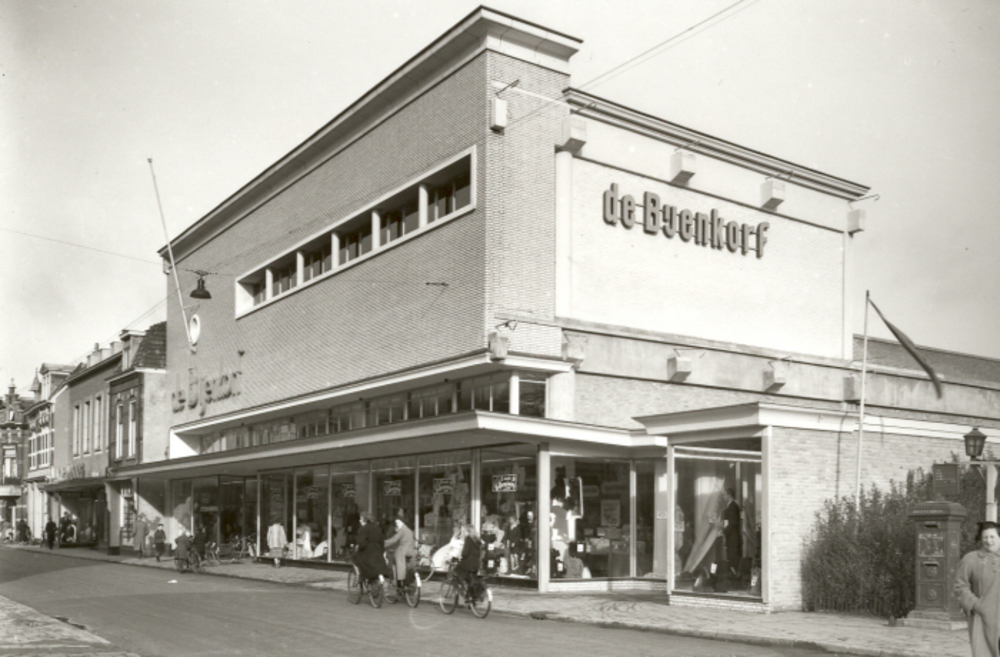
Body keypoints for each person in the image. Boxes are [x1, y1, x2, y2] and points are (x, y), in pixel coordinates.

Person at [956, 521, 1000, 657]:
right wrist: (976, 605)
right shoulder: (971, 559)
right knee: (984, 652)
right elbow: (960, 586)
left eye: (992, 537)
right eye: (985, 537)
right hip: (983, 616)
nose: (988, 541)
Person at [354, 512, 390, 583]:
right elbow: (382, 542)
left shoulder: (362, 529)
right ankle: (381, 580)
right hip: (377, 553)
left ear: (364, 520)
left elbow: (362, 544)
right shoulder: (378, 529)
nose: (359, 520)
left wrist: (358, 547)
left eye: (360, 519)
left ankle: (360, 575)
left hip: (367, 554)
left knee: (354, 558)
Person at [383, 516, 417, 589]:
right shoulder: (409, 530)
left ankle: (400, 581)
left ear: (403, 522)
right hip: (410, 551)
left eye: (398, 522)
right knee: (407, 566)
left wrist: (382, 543)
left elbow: (394, 540)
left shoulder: (402, 530)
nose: (397, 524)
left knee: (398, 564)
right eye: (396, 523)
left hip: (402, 551)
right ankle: (407, 581)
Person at [453, 524, 482, 591]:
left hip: (468, 563)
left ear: (468, 531)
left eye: (464, 531)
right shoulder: (477, 539)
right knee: (471, 578)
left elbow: (465, 553)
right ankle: (469, 592)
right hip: (476, 564)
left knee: (456, 570)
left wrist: (460, 556)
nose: (463, 533)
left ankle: (464, 587)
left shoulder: (468, 538)